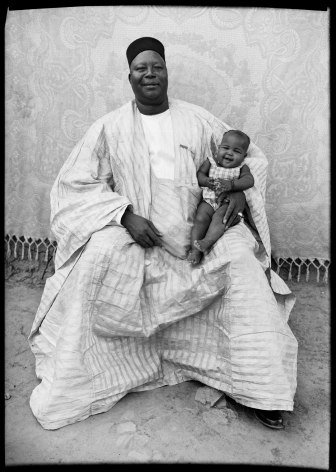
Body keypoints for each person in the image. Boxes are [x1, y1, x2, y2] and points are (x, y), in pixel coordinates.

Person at [28, 37, 298, 431]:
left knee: (240, 258)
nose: (149, 73)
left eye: (157, 66)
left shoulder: (199, 119)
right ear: (130, 77)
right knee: (98, 258)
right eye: (141, 68)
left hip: (201, 227)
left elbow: (250, 158)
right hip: (140, 232)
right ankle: (84, 378)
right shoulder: (109, 126)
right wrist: (124, 216)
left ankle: (259, 386)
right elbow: (74, 184)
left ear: (167, 72)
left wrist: (239, 197)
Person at [187, 129, 254, 265]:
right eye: (225, 148)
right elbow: (199, 175)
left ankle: (207, 241)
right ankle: (195, 251)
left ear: (244, 156)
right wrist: (206, 181)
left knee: (221, 219)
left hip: (226, 203)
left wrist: (232, 184)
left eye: (236, 151)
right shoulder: (210, 162)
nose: (229, 153)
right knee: (200, 219)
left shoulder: (241, 168)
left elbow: (249, 180)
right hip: (208, 201)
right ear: (218, 149)